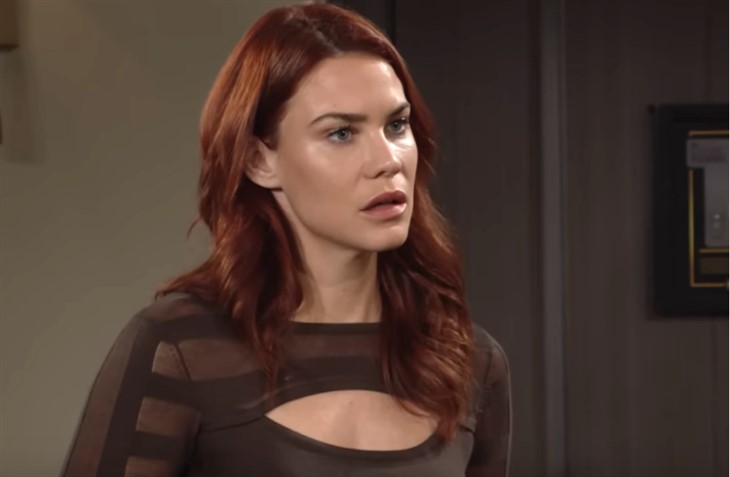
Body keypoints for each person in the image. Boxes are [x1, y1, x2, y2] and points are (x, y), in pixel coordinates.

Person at [61, 3, 511, 476]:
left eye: (396, 125)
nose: (388, 160)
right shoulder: (181, 349)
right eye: (342, 133)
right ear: (259, 161)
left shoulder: (472, 362)